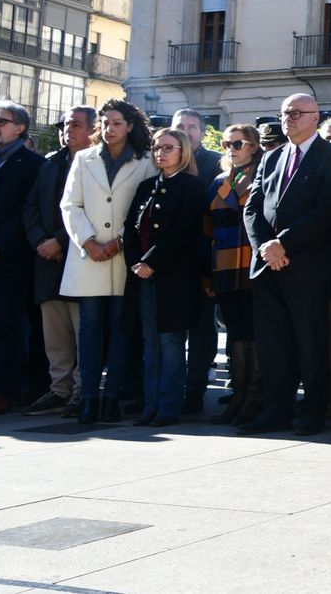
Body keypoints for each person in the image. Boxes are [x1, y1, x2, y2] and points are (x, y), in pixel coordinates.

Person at [240, 93, 331, 436]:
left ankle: (313, 410)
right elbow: (252, 207)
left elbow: (325, 211)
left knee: (311, 342)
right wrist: (265, 248)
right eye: (286, 112)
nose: (289, 118)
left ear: (315, 118)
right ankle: (276, 410)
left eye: (297, 113)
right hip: (269, 266)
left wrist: (283, 244)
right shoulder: (271, 158)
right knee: (273, 344)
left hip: (309, 267)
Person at [61, 100, 158, 424]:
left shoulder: (146, 160)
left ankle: (111, 397)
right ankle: (88, 397)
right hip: (89, 255)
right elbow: (70, 205)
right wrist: (88, 240)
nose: (109, 129)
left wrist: (118, 240)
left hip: (122, 255)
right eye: (105, 123)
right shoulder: (84, 159)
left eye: (116, 123)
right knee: (88, 330)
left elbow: (146, 205)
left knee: (120, 330)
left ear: (129, 126)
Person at [123, 128, 207, 427]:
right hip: (143, 276)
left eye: (168, 148)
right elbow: (131, 229)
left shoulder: (191, 186)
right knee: (150, 344)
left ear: (183, 151)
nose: (161, 153)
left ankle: (169, 408)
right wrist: (135, 263)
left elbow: (184, 232)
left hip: (175, 277)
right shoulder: (147, 186)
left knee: (171, 342)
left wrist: (151, 262)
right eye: (157, 148)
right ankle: (150, 406)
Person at [21, 107, 95, 418]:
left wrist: (60, 242)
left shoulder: (96, 164)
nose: (68, 130)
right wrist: (40, 241)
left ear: (92, 130)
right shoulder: (50, 163)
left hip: (79, 257)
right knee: (54, 332)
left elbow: (91, 212)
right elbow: (31, 207)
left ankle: (81, 390)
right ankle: (59, 388)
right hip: (47, 262)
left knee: (82, 331)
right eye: (65, 124)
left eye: (76, 125)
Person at [0, 100, 44, 415]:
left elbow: (24, 213)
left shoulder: (32, 165)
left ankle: (3, 390)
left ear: (20, 128)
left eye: (1, 121)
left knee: (6, 328)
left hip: (9, 261)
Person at [206, 124, 264, 425]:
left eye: (239, 143)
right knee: (236, 334)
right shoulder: (218, 181)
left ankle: (255, 397)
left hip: (253, 266)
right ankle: (238, 395)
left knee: (255, 334)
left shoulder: (264, 175)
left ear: (253, 146)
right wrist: (208, 276)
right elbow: (208, 228)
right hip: (226, 266)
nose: (232, 148)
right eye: (227, 143)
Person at [174, 108, 221, 416]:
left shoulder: (215, 163)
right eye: (181, 126)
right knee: (170, 331)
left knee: (203, 329)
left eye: (192, 127)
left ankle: (195, 390)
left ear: (202, 133)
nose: (187, 132)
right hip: (169, 263)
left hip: (203, 259)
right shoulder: (160, 161)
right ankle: (169, 388)